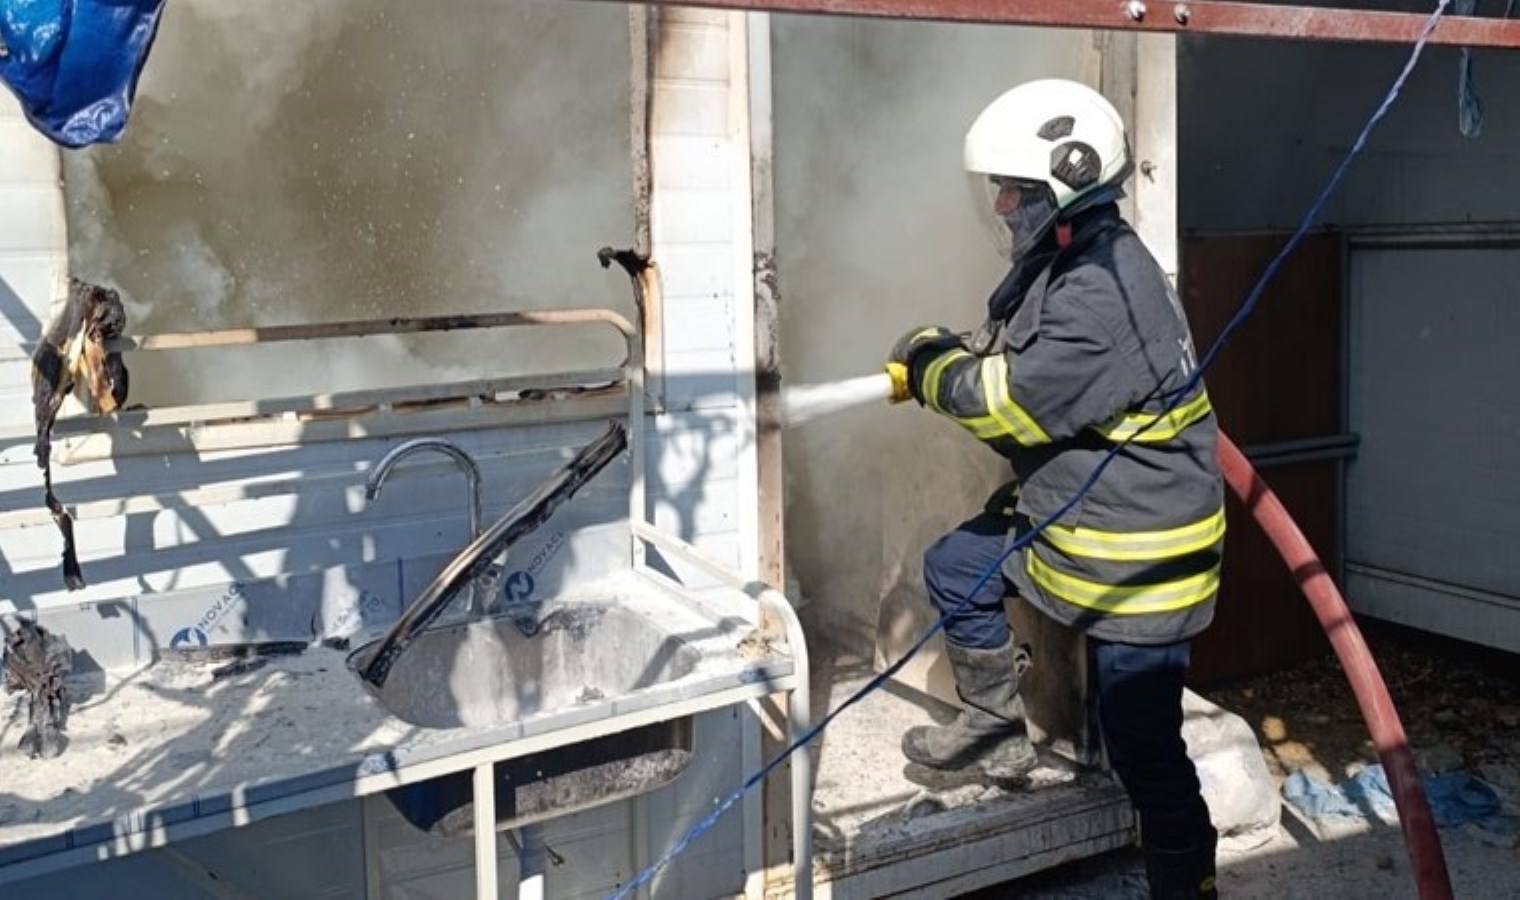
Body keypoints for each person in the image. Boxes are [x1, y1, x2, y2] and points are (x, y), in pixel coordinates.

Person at [888, 79, 1223, 898]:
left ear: (1068, 185)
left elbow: (1007, 405)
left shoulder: (1101, 294)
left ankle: (1190, 884)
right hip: (1088, 520)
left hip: (1142, 562)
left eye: (1015, 188)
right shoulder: (1074, 259)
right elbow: (1034, 379)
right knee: (956, 565)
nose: (1001, 204)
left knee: (1144, 748)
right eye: (998, 187)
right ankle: (994, 731)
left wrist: (931, 365)